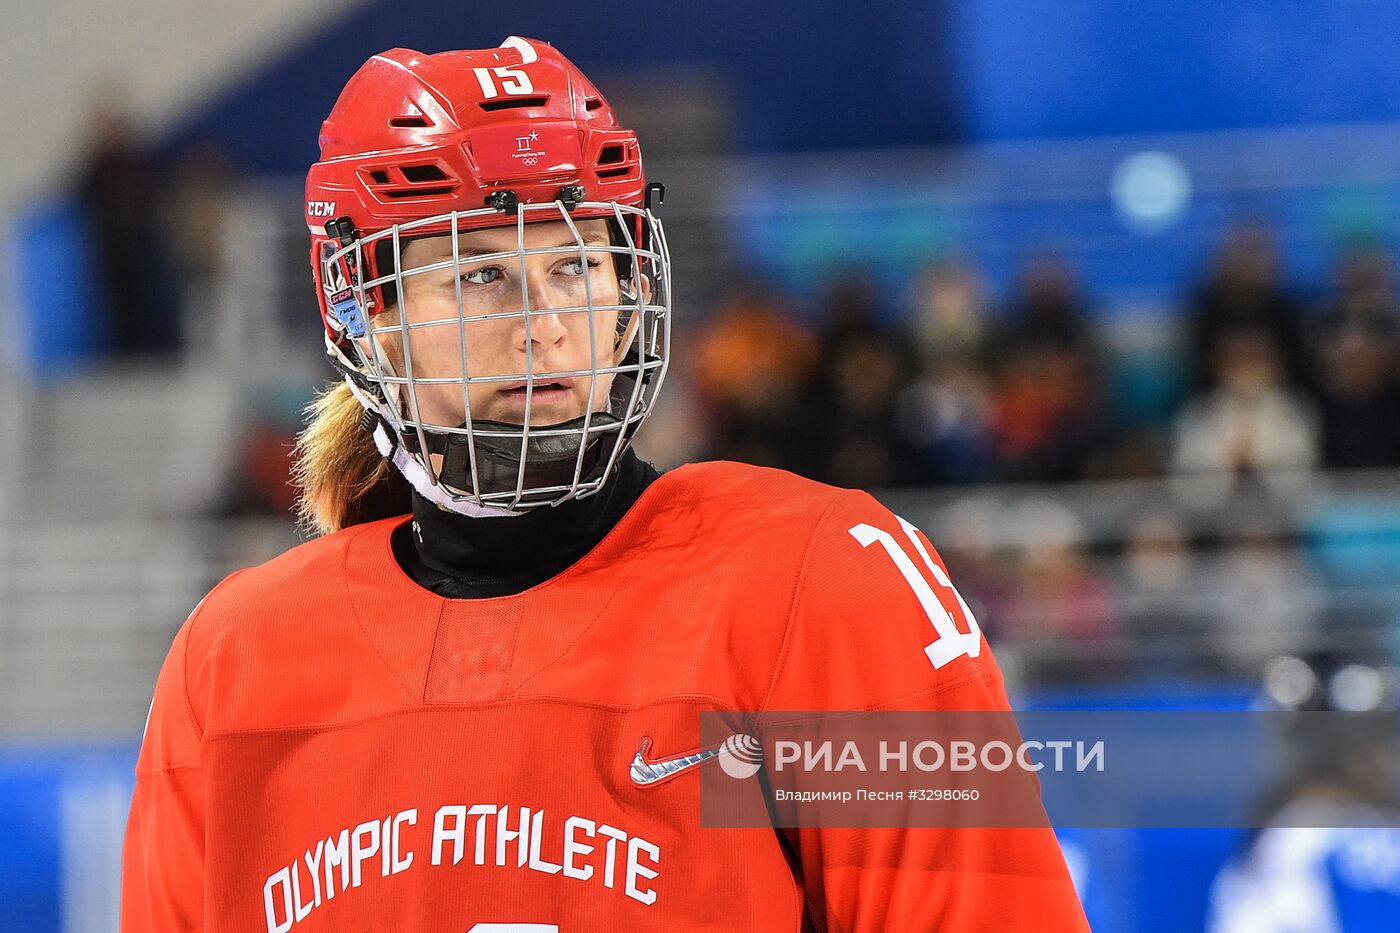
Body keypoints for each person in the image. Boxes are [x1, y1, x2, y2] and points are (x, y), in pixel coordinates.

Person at [120, 38, 1088, 931]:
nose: (542, 322)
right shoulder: (234, 666)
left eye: (577, 263)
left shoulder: (819, 586)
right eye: (476, 274)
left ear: (631, 292)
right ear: (365, 313)